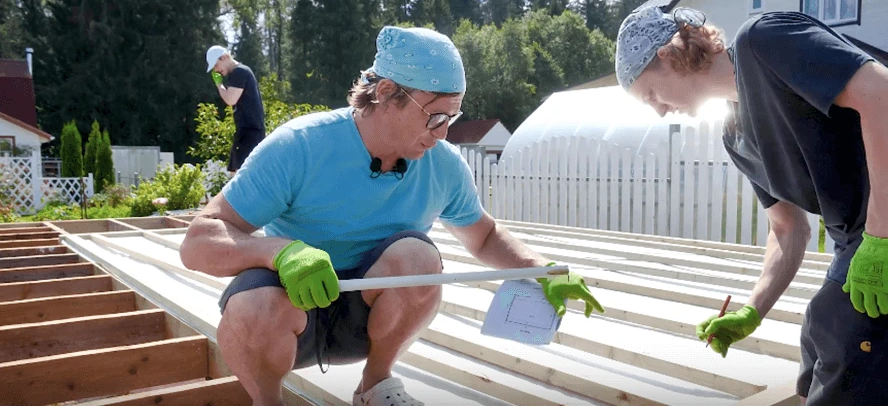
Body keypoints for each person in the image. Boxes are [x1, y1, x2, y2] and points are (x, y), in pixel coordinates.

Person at [181, 26, 605, 406]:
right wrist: (280, 252)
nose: (443, 132)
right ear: (385, 93)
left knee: (419, 260)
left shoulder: (443, 165)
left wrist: (540, 269)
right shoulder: (301, 146)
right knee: (252, 304)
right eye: (434, 115)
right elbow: (198, 241)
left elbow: (484, 236)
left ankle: (374, 387)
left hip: (365, 321)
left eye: (451, 116)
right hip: (290, 315)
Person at [615, 5, 888, 405]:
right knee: (815, 360)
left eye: (650, 95)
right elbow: (787, 229)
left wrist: (882, 241)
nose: (660, 111)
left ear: (668, 54)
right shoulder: (736, 135)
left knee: (851, 380)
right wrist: (752, 311)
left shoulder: (764, 41)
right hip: (860, 246)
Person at [206, 45, 267, 175]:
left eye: (216, 65)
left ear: (223, 58)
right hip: (245, 130)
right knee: (234, 172)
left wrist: (219, 85)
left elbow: (230, 100)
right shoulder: (237, 73)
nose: (216, 70)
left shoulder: (240, 72)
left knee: (242, 175)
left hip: (251, 132)